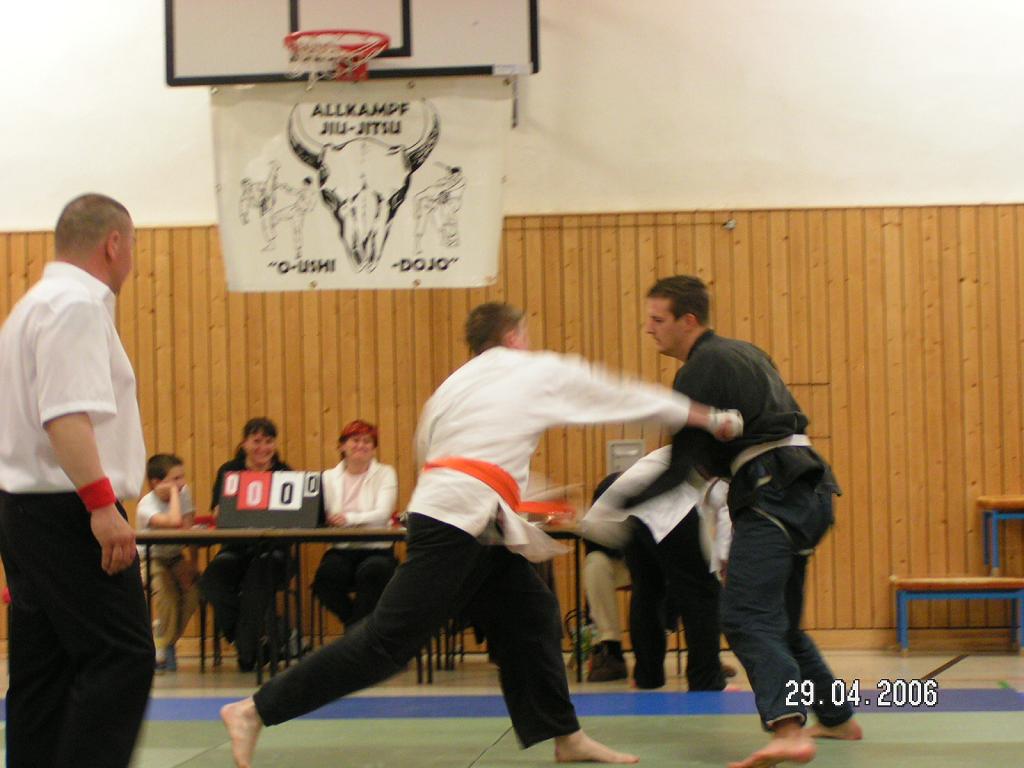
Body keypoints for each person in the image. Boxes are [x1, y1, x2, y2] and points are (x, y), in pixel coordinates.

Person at [221, 301, 743, 767]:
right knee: (387, 642)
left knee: (532, 616)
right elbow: (617, 394)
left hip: (464, 515)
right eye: (526, 335)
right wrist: (703, 416)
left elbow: (442, 456)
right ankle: (255, 710)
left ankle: (566, 737)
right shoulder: (527, 368)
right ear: (513, 336)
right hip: (457, 521)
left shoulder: (451, 388)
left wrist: (516, 493)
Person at [626, 275, 862, 768]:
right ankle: (837, 717)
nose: (649, 329)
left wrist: (619, 508)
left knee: (745, 616)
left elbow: (681, 467)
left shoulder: (699, 370)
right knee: (782, 625)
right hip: (808, 487)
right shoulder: (745, 353)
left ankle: (788, 730)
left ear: (688, 320)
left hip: (772, 491)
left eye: (658, 319)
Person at [0, 193, 154, 766]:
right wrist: (101, 506)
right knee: (123, 656)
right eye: (132, 245)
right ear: (113, 244)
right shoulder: (77, 305)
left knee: (46, 670)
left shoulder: (31, 307)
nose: (131, 258)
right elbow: (65, 416)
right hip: (69, 509)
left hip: (25, 508)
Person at [585, 456, 734, 691]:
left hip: (629, 505)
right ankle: (706, 678)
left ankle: (647, 676)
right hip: (665, 499)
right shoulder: (732, 458)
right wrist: (724, 556)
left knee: (647, 588)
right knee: (703, 592)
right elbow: (726, 508)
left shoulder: (679, 450)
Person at [199, 417, 292, 671]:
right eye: (256, 441)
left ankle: (247, 652)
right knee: (211, 583)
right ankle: (250, 644)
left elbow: (294, 517)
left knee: (256, 581)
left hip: (274, 552)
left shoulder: (284, 473)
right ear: (245, 443)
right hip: (236, 549)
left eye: (268, 441)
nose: (262, 447)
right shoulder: (230, 470)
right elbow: (218, 512)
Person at [312, 419, 399, 627]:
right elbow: (323, 513)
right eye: (355, 440)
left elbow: (383, 514)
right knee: (325, 579)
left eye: (367, 441)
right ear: (342, 446)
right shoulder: (327, 477)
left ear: (374, 448)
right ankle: (357, 630)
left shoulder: (385, 473)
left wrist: (348, 519)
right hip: (341, 549)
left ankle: (355, 637)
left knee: (373, 573)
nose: (361, 445)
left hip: (377, 549)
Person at [136, 453, 201, 672]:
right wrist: (174, 494)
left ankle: (162, 638)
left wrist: (192, 564)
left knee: (194, 592)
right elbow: (174, 522)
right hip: (150, 557)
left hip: (175, 556)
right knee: (168, 597)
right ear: (156, 483)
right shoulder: (146, 506)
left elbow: (187, 530)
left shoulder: (184, 492)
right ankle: (165, 644)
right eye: (175, 479)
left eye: (182, 477)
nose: (182, 483)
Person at [582, 473, 630, 682]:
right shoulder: (604, 496)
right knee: (595, 564)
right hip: (625, 563)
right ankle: (610, 648)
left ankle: (705, 653)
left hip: (655, 564)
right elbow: (592, 544)